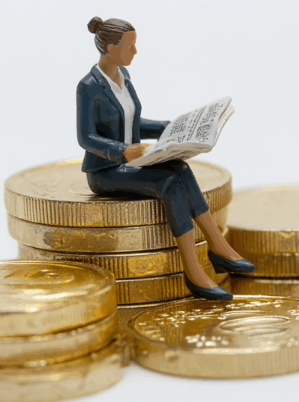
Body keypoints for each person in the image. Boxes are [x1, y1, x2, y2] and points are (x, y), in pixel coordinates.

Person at [76, 17, 254, 300]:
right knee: (169, 181)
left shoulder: (126, 79)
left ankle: (218, 246)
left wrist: (168, 127)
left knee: (180, 167)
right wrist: (121, 150)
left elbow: (133, 122)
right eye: (130, 46)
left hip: (130, 163)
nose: (135, 52)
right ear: (110, 47)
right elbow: (86, 137)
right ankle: (194, 273)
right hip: (106, 172)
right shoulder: (89, 86)